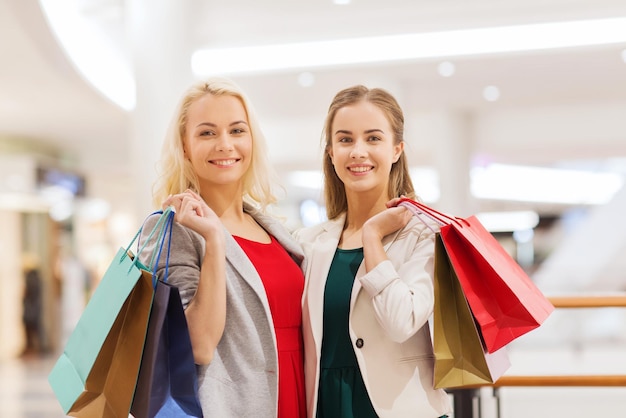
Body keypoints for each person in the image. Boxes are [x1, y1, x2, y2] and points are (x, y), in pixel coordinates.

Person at [139, 77, 306, 418]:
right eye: (207, 133)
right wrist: (215, 240)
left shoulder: (273, 229)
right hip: (233, 407)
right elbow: (198, 345)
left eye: (236, 131)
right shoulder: (173, 230)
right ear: (184, 147)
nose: (225, 144)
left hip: (296, 394)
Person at [294, 85, 452, 418]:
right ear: (331, 152)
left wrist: (373, 235)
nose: (358, 151)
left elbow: (400, 322)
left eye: (373, 138)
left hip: (399, 409)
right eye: (345, 139)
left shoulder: (424, 235)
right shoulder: (310, 243)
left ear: (397, 149)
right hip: (327, 406)